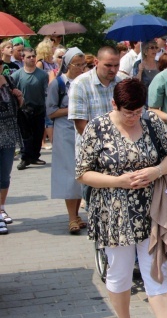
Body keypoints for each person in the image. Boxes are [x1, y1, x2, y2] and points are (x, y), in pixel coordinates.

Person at [76, 78, 167, 318]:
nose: (134, 117)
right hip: (114, 213)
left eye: (138, 111)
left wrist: (155, 171)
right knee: (120, 272)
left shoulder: (151, 122)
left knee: (157, 270)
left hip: (152, 210)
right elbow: (82, 173)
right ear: (114, 104)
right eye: (128, 112)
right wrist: (118, 181)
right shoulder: (97, 127)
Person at [46, 48, 86, 234]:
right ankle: (71, 218)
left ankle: (77, 214)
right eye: (76, 65)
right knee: (69, 174)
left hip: (80, 129)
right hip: (64, 131)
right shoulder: (58, 84)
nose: (80, 68)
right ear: (67, 64)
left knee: (80, 173)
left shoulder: (83, 82)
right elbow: (51, 111)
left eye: (82, 64)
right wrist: (73, 109)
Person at [68, 46, 122, 136]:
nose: (113, 69)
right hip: (91, 146)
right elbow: (80, 125)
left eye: (116, 65)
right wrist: (101, 145)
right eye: (108, 65)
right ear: (96, 62)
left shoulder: (120, 83)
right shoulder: (80, 84)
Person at [11, 46, 49, 170]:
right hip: (23, 109)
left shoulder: (43, 74)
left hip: (39, 108)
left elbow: (46, 91)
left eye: (33, 56)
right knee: (25, 135)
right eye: (29, 57)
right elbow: (13, 92)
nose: (32, 58)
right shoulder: (17, 75)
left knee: (38, 134)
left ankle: (34, 156)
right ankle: (25, 158)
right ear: (23, 59)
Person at [0, 72, 24, 234]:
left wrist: (19, 97)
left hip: (8, 135)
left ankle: (1, 209)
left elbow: (19, 106)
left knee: (4, 175)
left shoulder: (8, 80)